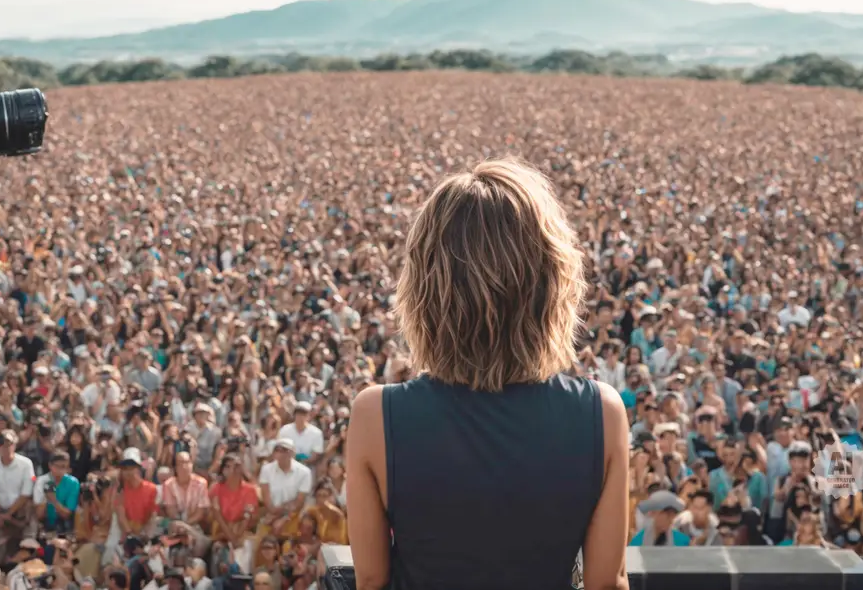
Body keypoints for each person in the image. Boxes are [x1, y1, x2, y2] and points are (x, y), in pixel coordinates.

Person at [346, 159, 629, 590]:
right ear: (550, 283)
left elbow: (370, 581)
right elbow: (606, 583)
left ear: (426, 287)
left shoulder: (374, 415)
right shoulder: (602, 414)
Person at [0, 429, 35, 563]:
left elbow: (26, 493)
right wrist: (0, 512)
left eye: (9, 444)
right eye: (2, 444)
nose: (6, 448)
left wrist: (9, 513)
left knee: (31, 528)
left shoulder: (26, 464)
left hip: (19, 509)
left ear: (15, 445)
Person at [257, 439, 312, 539]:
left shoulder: (304, 472)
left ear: (292, 453)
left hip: (293, 517)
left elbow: (299, 502)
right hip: (270, 516)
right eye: (277, 450)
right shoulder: (266, 470)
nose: (280, 453)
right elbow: (266, 499)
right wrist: (274, 514)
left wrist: (281, 517)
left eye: (284, 450)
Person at [115, 448, 158, 539]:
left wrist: (145, 537)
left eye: (131, 467)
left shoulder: (151, 489)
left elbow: (152, 516)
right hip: (127, 534)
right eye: (124, 468)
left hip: (146, 533)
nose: (128, 471)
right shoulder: (120, 491)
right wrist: (131, 535)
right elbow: (121, 517)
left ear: (138, 468)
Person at [33, 451, 80, 535]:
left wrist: (53, 500)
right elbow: (39, 515)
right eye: (57, 466)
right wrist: (44, 498)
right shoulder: (41, 481)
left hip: (65, 525)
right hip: (45, 524)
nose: (60, 470)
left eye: (64, 467)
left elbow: (67, 514)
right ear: (50, 465)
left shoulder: (73, 483)